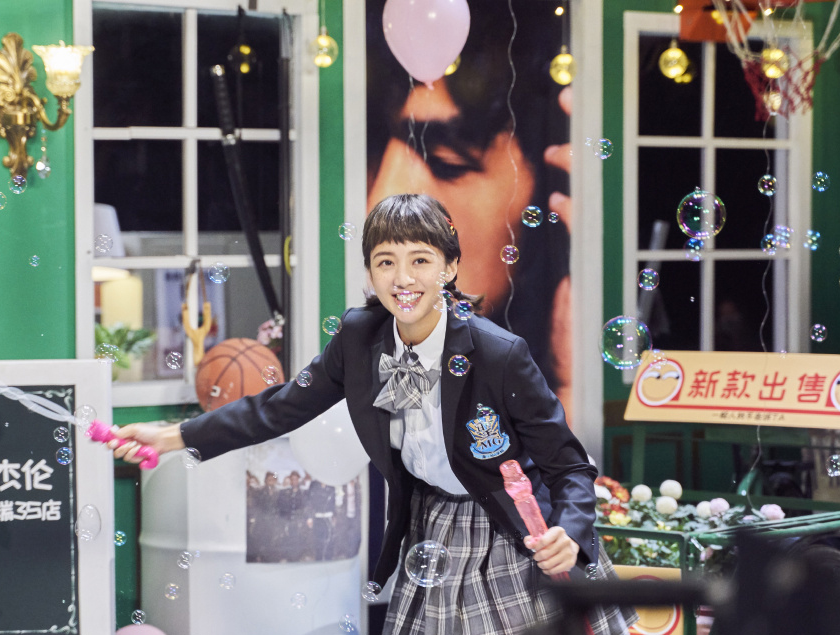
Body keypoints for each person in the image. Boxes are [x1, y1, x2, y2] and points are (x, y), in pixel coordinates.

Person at [111, 194, 636, 635]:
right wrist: (173, 436)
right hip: (431, 525)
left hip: (512, 531)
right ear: (370, 272)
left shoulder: (499, 354)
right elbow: (281, 408)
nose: (402, 278)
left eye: (420, 260)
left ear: (450, 267)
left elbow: (568, 465)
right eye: (385, 261)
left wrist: (569, 532)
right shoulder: (359, 339)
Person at [366, 0, 575, 420]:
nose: (379, 200)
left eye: (450, 163)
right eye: (371, 162)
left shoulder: (513, 364)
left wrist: (571, 387)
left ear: (541, 189)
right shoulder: (375, 347)